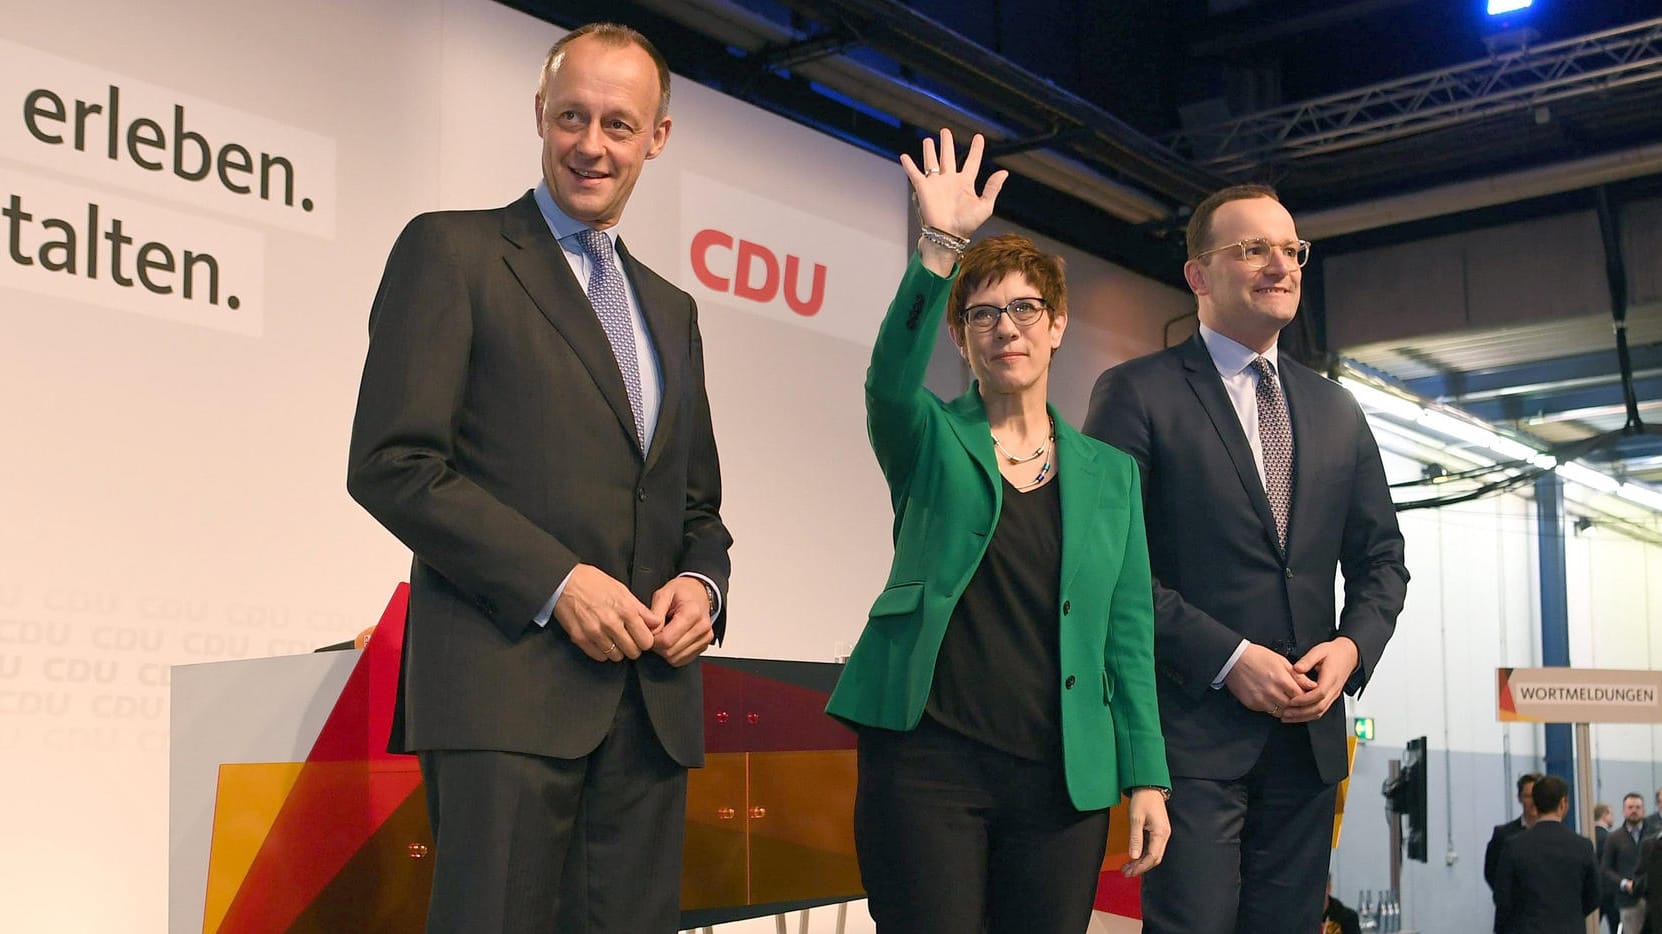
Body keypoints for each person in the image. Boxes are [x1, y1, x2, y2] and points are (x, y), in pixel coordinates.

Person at [345, 22, 732, 933]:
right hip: (503, 694)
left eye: (619, 125)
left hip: (649, 713)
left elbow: (695, 504)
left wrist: (702, 584)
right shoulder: (452, 252)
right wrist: (556, 584)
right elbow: (393, 463)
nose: (592, 146)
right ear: (538, 116)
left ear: (658, 138)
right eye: (572, 117)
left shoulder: (673, 312)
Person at [826, 128, 1171, 934]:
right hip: (928, 770)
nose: (1006, 327)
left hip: (1061, 780)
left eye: (1025, 309)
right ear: (961, 338)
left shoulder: (1109, 475)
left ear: (1057, 327)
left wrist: (1147, 775)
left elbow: (1128, 636)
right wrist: (940, 246)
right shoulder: (926, 439)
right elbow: (886, 378)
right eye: (984, 315)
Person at [1083, 183, 1409, 934]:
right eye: (1252, 249)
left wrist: (1351, 648)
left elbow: (1382, 559)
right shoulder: (1136, 394)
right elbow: (1110, 569)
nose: (1280, 265)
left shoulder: (1337, 409)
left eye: (1290, 249)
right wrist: (1231, 658)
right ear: (1198, 275)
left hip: (1308, 742)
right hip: (1192, 741)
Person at [1493, 775, 1600, 934]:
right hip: (1570, 927)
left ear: (1535, 804)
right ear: (1563, 803)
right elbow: (1594, 896)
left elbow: (1502, 896)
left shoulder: (1514, 845)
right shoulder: (1583, 846)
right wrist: (1570, 915)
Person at [1487, 773, 1544, 901]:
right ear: (1519, 798)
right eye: (1528, 796)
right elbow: (1491, 872)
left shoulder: (1555, 834)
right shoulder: (1503, 834)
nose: (1533, 802)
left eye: (1537, 796)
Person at [1602, 792, 1653, 934]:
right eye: (1630, 807)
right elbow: (1606, 869)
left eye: (1637, 807)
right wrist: (1624, 883)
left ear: (1644, 811)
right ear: (1624, 811)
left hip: (1654, 898)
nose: (1634, 811)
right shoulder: (1614, 838)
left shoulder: (1654, 834)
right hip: (1628, 899)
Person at [1594, 802, 1618, 934]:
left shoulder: (1587, 837)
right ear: (1604, 815)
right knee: (1616, 928)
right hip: (1610, 891)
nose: (1613, 818)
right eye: (1612, 814)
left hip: (1593, 890)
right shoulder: (1610, 839)